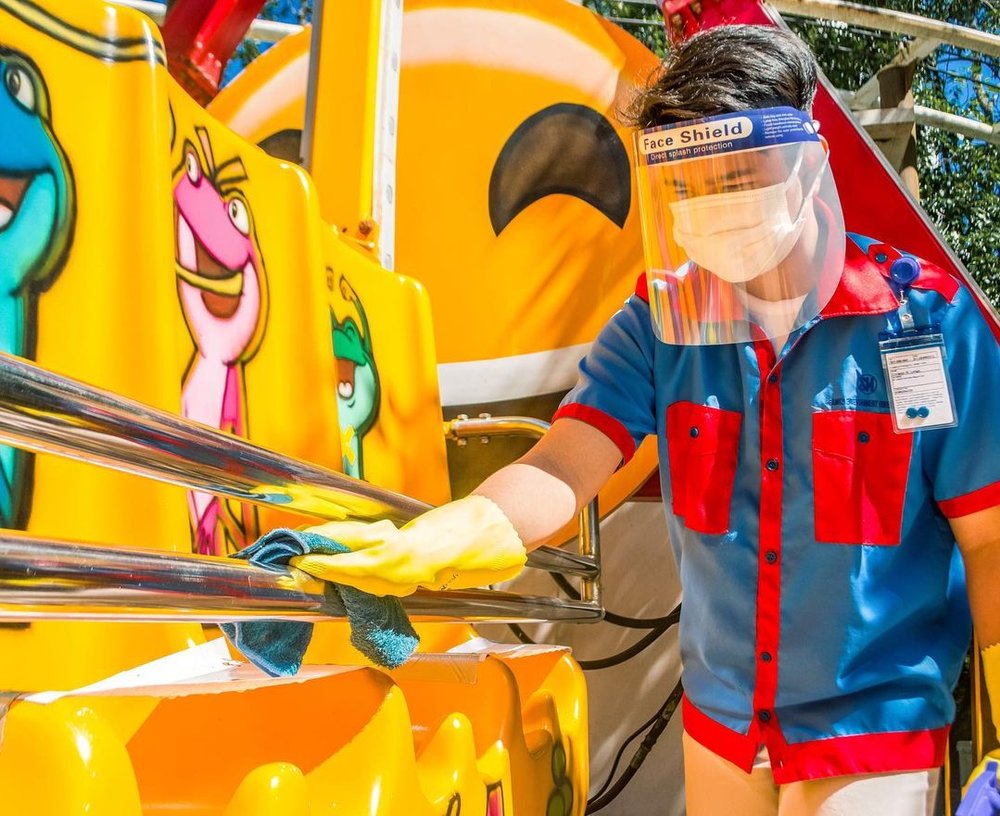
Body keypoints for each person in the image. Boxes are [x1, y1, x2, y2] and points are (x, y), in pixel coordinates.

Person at [289, 24, 1000, 816]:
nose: (713, 203)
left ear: (807, 162)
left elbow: (990, 540)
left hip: (871, 731)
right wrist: (463, 529)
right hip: (721, 728)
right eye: (689, 184)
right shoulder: (658, 322)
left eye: (737, 174)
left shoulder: (930, 324)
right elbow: (563, 466)